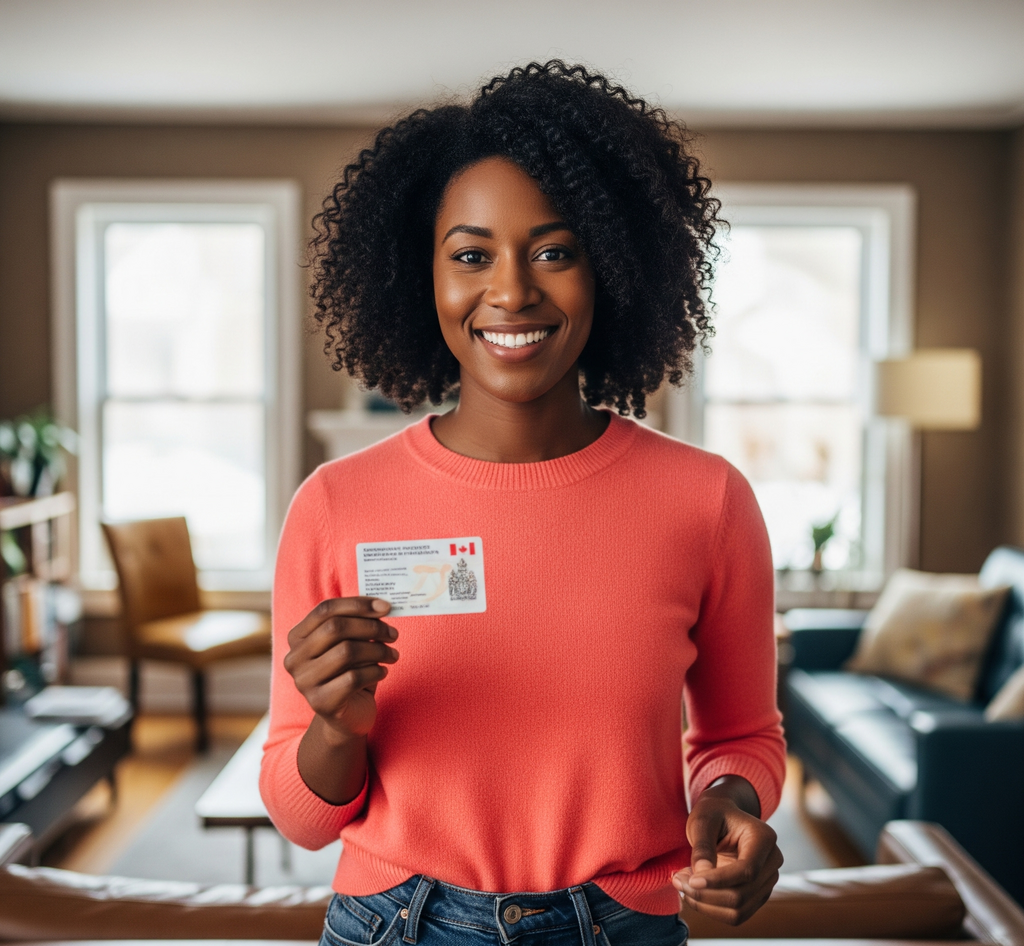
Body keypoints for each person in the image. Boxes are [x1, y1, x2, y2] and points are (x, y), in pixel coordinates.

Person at [260, 61, 786, 946]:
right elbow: (304, 819)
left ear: (612, 265)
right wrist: (335, 727)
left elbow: (742, 736)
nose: (511, 292)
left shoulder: (706, 501)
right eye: (471, 255)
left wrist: (731, 808)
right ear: (418, 273)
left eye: (554, 251)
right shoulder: (336, 505)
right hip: (398, 921)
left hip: (627, 921)